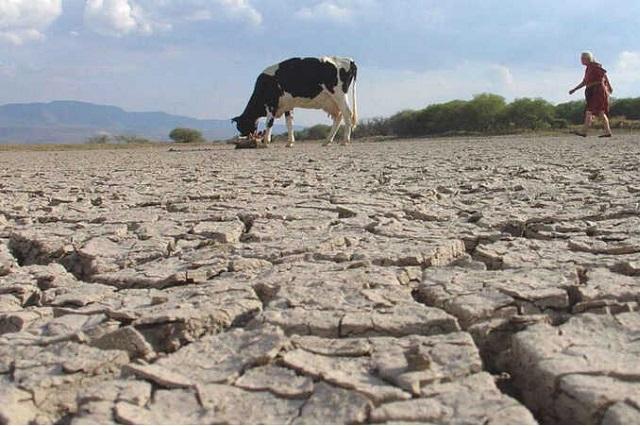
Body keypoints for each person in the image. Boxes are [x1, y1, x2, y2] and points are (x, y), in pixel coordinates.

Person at [569, 51, 613, 137]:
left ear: (587, 58)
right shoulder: (589, 68)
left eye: (582, 58)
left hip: (597, 91)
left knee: (589, 111)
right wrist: (574, 89)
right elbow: (585, 82)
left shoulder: (595, 66)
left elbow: (604, 75)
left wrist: (609, 86)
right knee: (600, 112)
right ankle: (608, 132)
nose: (581, 60)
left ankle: (584, 132)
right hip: (592, 91)